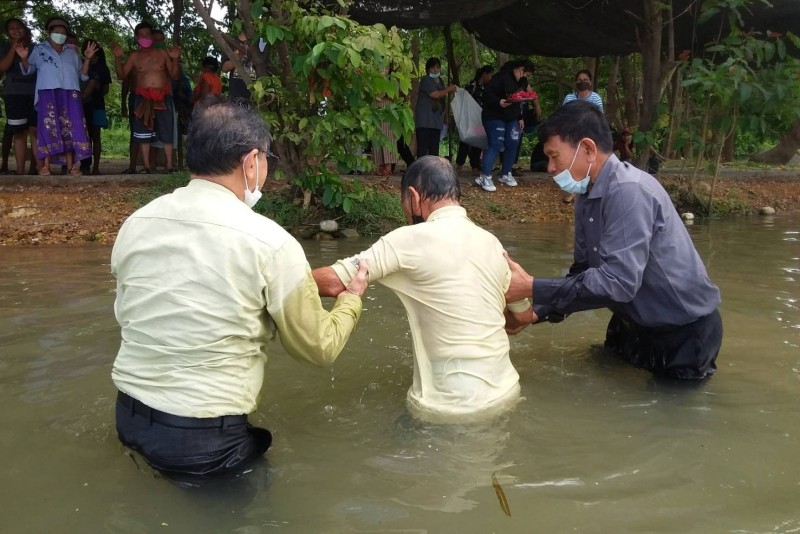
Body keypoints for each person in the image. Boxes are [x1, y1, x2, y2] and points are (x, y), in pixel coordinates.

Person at [111, 97, 369, 477]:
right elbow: (318, 347)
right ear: (251, 162)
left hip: (129, 417)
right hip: (202, 440)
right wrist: (350, 300)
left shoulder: (136, 223)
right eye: (267, 161)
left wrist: (302, 284)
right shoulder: (271, 242)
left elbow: (172, 299)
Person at [504, 101, 722, 380]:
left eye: (554, 156)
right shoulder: (586, 197)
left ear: (587, 149)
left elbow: (617, 283)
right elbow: (584, 273)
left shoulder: (629, 192)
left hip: (683, 332)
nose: (549, 167)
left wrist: (531, 287)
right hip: (631, 324)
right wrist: (535, 312)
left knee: (669, 416)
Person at [313, 155, 533, 422]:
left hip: (451, 407)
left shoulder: (409, 239)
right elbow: (521, 319)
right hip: (507, 391)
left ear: (414, 197)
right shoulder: (493, 244)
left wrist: (274, 280)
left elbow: (334, 281)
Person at [16, 17, 95, 176]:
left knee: (72, 128)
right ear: (49, 33)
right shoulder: (39, 50)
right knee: (49, 128)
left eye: (63, 33)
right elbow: (29, 70)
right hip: (48, 93)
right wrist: (24, 58)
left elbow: (83, 75)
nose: (60, 35)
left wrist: (87, 59)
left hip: (70, 92)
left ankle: (72, 166)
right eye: (56, 32)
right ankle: (45, 166)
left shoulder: (72, 53)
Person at [111, 22, 180, 173]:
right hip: (142, 97)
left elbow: (174, 75)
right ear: (136, 38)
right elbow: (122, 75)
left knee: (167, 130)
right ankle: (147, 167)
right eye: (141, 35)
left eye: (148, 35)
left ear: (152, 37)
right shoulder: (134, 56)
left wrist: (175, 59)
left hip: (163, 96)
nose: (145, 38)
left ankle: (169, 166)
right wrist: (117, 57)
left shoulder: (162, 54)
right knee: (143, 132)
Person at [475, 59, 531, 192]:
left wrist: (520, 117)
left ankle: (505, 174)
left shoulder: (522, 82)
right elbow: (487, 95)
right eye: (526, 74)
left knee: (513, 141)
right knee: (495, 143)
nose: (526, 78)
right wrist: (499, 102)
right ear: (520, 70)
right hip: (494, 115)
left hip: (512, 117)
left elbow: (520, 100)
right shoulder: (501, 78)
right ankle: (485, 176)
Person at [0, 18, 37, 175]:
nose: (15, 30)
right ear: (8, 33)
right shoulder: (4, 47)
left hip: (35, 94)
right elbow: (3, 67)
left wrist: (24, 56)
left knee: (35, 131)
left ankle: (36, 168)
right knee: (19, 132)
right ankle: (20, 170)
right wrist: (13, 48)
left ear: (25, 29)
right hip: (14, 94)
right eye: (11, 28)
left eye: (18, 27)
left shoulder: (36, 48)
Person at [79, 40, 112, 175]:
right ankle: (84, 164)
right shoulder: (80, 64)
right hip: (81, 105)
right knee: (83, 136)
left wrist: (94, 89)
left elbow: (106, 90)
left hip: (97, 104)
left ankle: (96, 166)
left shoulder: (102, 68)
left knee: (95, 136)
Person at [454, 65, 493, 175]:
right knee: (465, 141)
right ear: (484, 74)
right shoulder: (472, 85)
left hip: (481, 119)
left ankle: (475, 166)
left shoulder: (488, 88)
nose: (491, 77)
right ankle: (459, 165)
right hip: (470, 119)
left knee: (478, 142)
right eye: (490, 75)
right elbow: (463, 99)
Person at [414, 57, 456, 158]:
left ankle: (432, 171)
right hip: (425, 120)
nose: (435, 70)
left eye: (437, 67)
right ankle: (421, 171)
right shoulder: (426, 80)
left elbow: (443, 100)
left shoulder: (441, 81)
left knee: (434, 149)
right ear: (428, 69)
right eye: (432, 68)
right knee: (423, 149)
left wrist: (446, 115)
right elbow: (435, 95)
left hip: (436, 121)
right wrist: (448, 89)